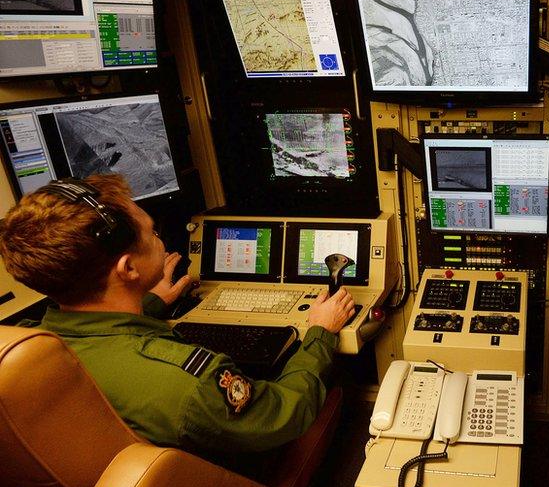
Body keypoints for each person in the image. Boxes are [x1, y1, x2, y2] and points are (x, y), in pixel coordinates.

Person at [0, 174, 354, 463]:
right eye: (152, 233)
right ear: (128, 268)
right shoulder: (190, 382)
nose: (159, 239)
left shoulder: (28, 346)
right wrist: (320, 333)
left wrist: (149, 301)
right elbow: (285, 415)